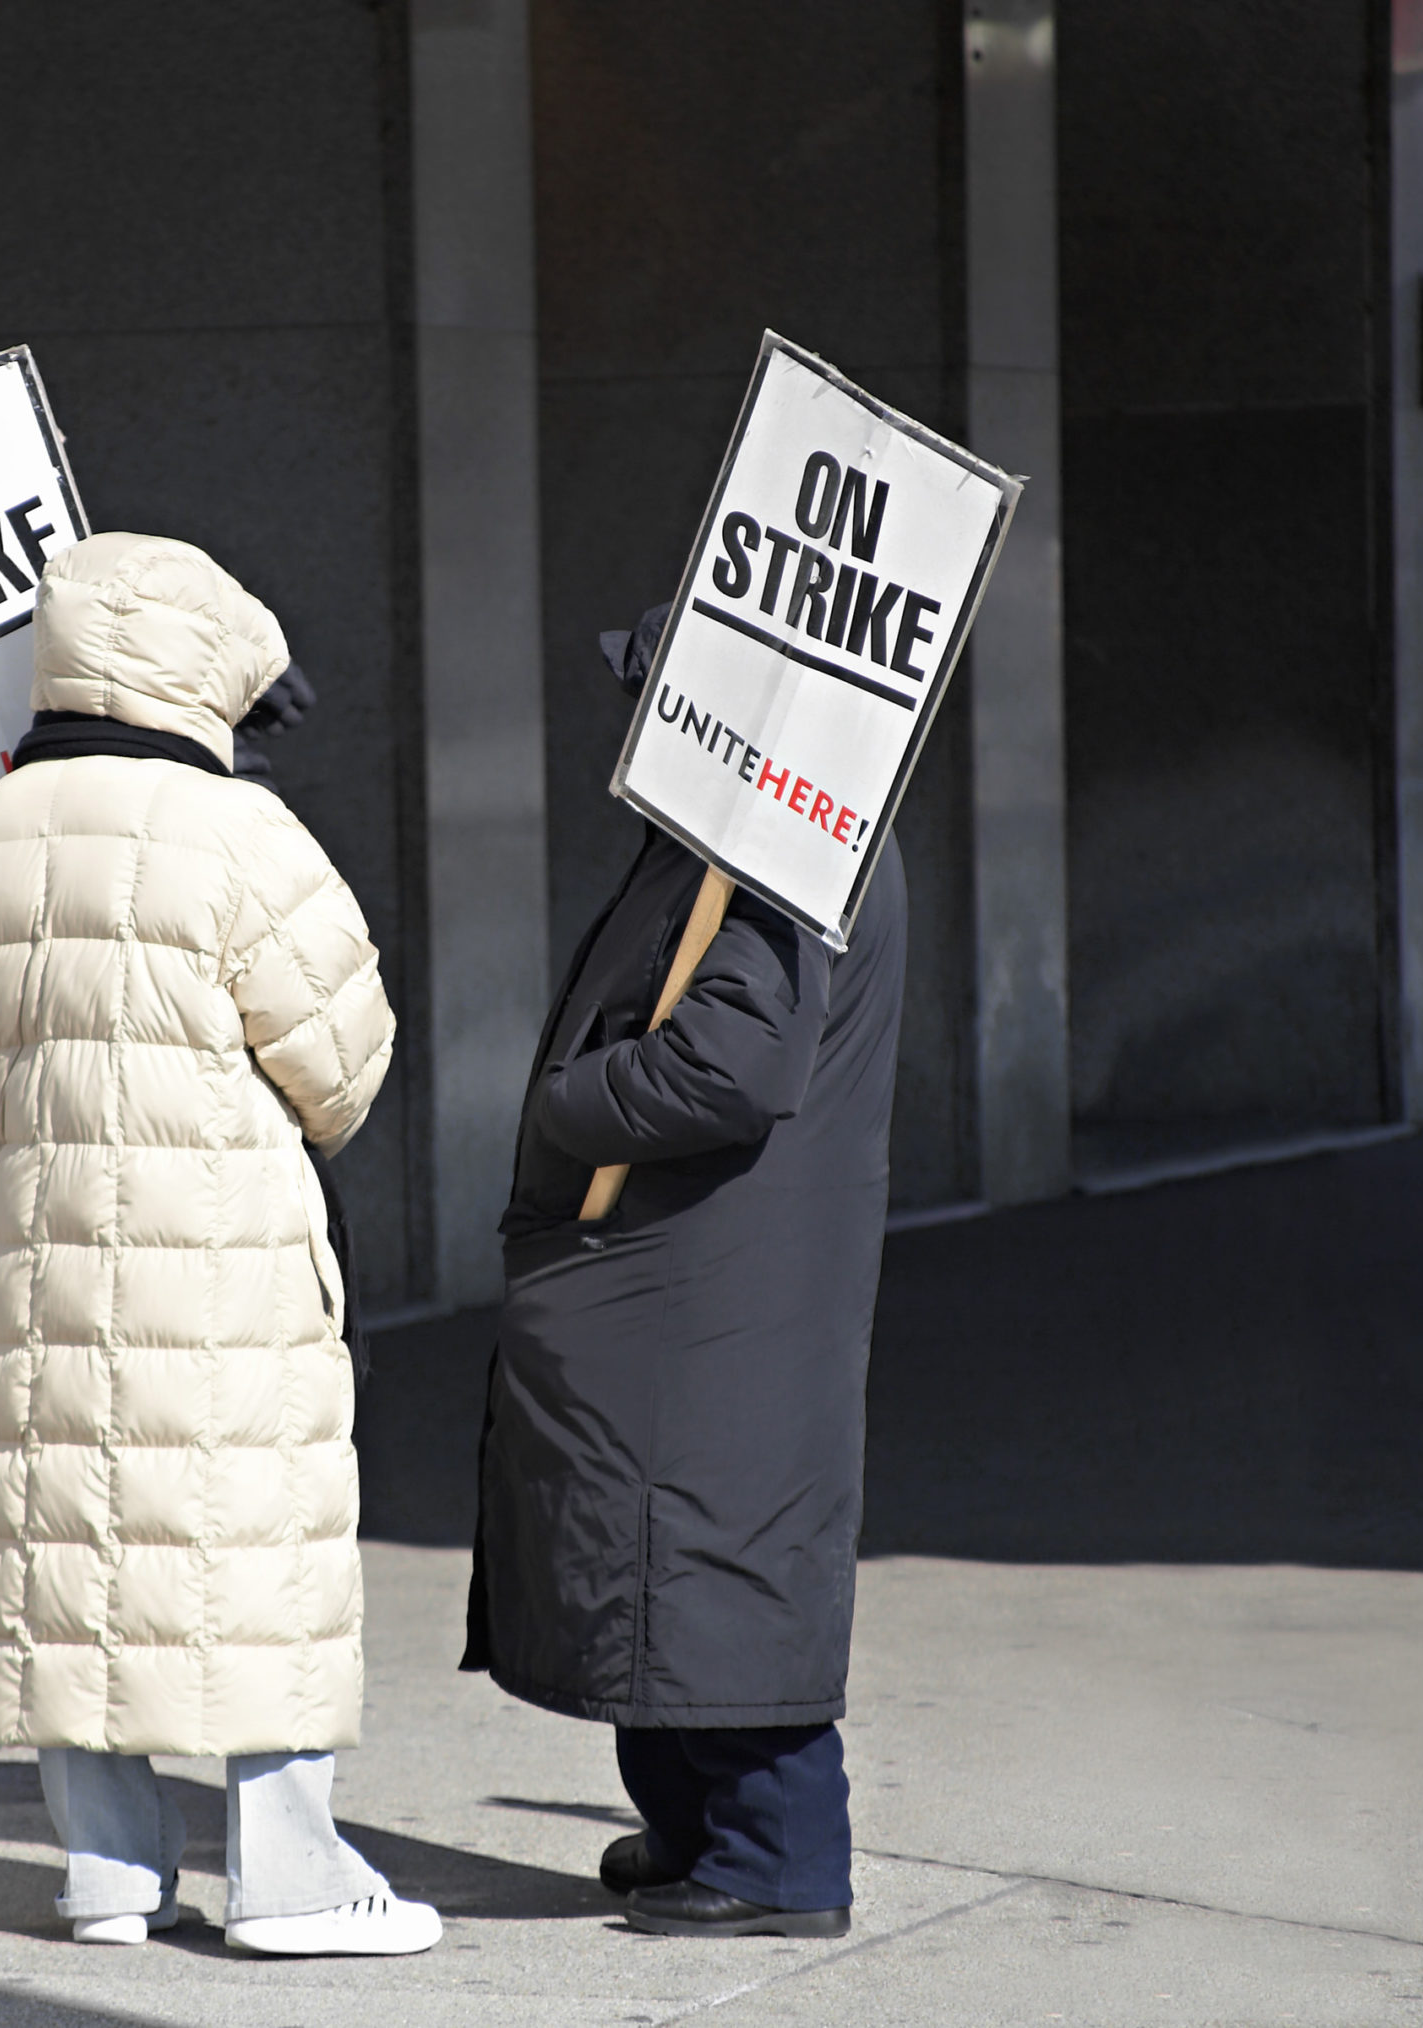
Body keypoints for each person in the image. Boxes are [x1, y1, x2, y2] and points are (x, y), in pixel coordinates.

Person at [0, 531, 437, 1956]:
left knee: (77, 1548)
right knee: (241, 1546)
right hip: (226, 1257)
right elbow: (345, 1059)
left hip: (48, 1250)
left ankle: (107, 1872)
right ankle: (288, 1875)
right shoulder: (243, 836)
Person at [462, 601, 907, 1941]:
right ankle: (699, 1828)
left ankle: (775, 1858)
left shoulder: (782, 842)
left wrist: (565, 1103)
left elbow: (731, 1063)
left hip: (709, 1276)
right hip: (691, 1273)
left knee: (704, 1550)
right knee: (667, 1555)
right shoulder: (745, 833)